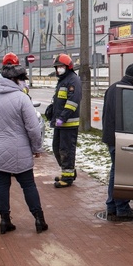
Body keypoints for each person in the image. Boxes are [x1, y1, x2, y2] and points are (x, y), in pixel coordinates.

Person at [0, 60, 47, 235]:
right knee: (28, 185)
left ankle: (4, 220)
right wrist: (37, 148)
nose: (24, 82)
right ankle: (39, 219)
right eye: (22, 79)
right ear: (15, 80)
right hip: (18, 151)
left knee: (1, 185)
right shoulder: (22, 98)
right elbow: (33, 127)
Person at [102, 63, 133, 221]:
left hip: (111, 137)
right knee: (122, 173)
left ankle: (112, 206)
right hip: (123, 138)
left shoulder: (113, 87)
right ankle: (122, 208)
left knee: (115, 171)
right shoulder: (132, 92)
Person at [50, 54, 82, 188]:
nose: (58, 70)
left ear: (68, 67)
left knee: (66, 150)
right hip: (60, 123)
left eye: (61, 67)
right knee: (57, 148)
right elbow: (59, 101)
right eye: (57, 67)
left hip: (69, 124)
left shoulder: (73, 80)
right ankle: (68, 172)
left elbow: (72, 102)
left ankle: (68, 178)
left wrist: (62, 118)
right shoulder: (62, 80)